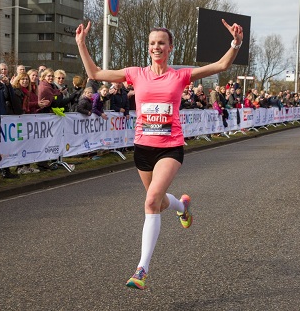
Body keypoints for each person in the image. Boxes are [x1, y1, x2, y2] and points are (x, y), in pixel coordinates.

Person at [75, 19, 243, 289]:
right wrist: (82, 44)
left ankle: (141, 269)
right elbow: (94, 73)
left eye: (161, 43)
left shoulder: (180, 75)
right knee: (161, 202)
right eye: (152, 43)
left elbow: (220, 66)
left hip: (170, 147)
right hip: (142, 148)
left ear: (170, 48)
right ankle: (182, 206)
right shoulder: (135, 74)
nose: (156, 47)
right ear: (148, 48)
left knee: (151, 200)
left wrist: (235, 44)